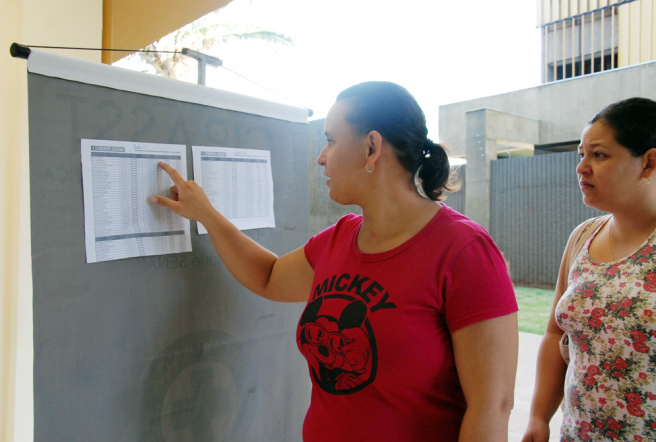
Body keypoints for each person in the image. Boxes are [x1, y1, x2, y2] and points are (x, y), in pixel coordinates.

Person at [151, 81, 518, 442]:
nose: (321, 157)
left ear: (372, 147)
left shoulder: (464, 251)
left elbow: (491, 407)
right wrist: (207, 216)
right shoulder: (340, 238)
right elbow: (268, 276)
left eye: (330, 140)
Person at [522, 97, 656, 442]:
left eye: (599, 155)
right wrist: (539, 417)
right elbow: (555, 334)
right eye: (581, 154)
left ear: (649, 162)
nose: (582, 167)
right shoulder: (583, 237)